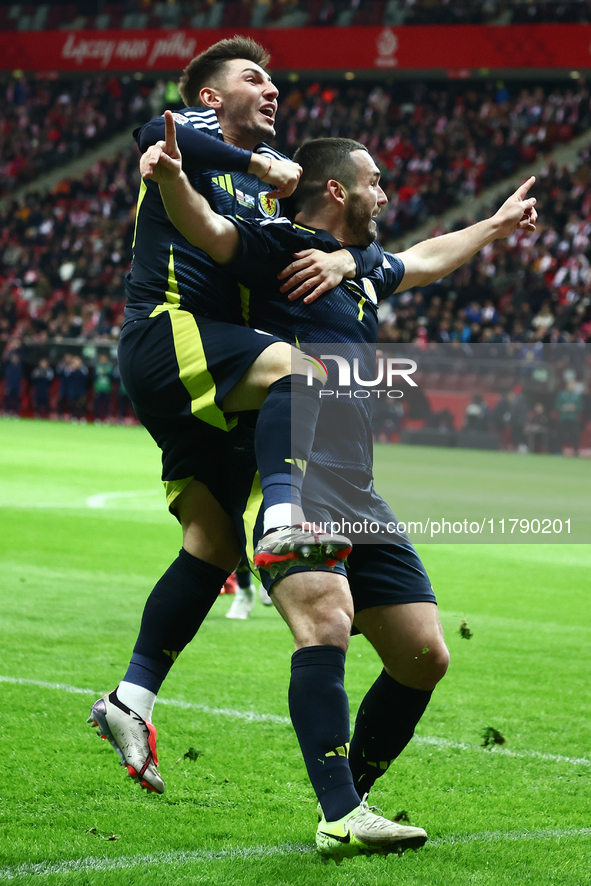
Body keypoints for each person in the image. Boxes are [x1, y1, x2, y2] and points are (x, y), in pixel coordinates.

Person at [91, 120, 536, 862]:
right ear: (338, 188)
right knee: (324, 622)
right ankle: (340, 815)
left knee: (424, 656)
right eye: (374, 183)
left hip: (360, 490)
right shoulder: (274, 243)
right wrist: (168, 177)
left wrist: (489, 227)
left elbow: (421, 260)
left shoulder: (360, 264)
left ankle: (351, 795)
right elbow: (210, 232)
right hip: (297, 480)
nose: (385, 195)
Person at [88, 36, 382, 807]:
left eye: (275, 78)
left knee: (210, 544)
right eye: (253, 78)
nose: (272, 87)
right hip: (172, 330)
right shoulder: (193, 140)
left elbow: (317, 237)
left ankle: (130, 698)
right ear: (211, 98)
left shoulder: (272, 179)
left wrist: (357, 261)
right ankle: (284, 512)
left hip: (211, 372)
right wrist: (254, 165)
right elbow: (155, 136)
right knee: (299, 370)